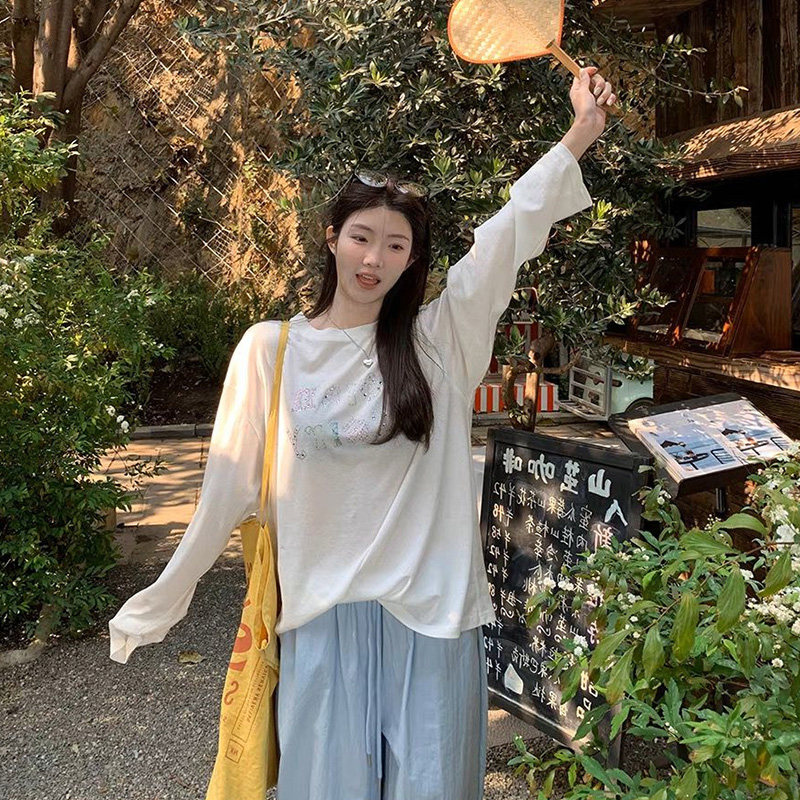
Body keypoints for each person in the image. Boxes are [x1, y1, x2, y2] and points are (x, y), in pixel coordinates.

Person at [108, 66, 616, 799]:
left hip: (434, 621)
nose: (375, 259)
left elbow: (509, 234)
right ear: (332, 238)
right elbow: (226, 489)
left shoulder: (441, 342)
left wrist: (580, 133)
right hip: (320, 620)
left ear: (413, 260)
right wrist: (166, 594)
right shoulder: (271, 350)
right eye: (361, 237)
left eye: (396, 246)